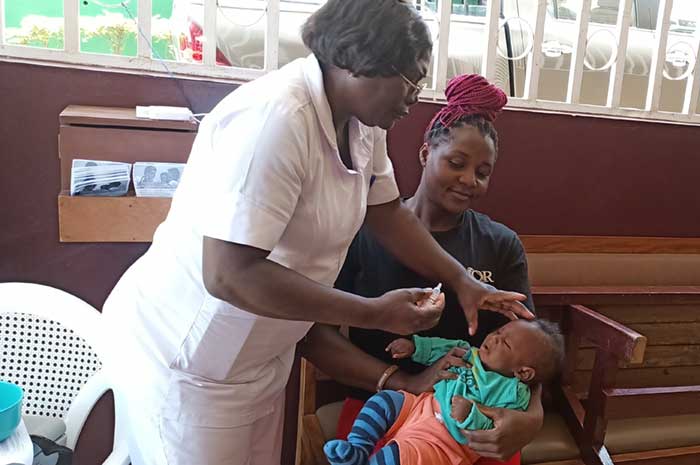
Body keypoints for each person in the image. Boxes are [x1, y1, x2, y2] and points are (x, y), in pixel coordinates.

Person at [101, 2, 531, 465]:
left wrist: (460, 278)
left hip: (259, 356)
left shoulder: (363, 123)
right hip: (188, 361)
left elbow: (387, 214)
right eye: (410, 81)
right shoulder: (276, 121)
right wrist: (373, 314)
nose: (414, 98)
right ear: (357, 62)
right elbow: (228, 274)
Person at [302, 74, 541, 465]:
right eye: (456, 163)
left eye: (482, 172)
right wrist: (403, 383)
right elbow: (314, 337)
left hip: (472, 415)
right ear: (425, 153)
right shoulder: (361, 231)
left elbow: (533, 346)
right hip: (379, 411)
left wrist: (531, 416)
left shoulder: (499, 244)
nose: (469, 180)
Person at [322, 319, 564, 465]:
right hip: (420, 405)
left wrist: (470, 415)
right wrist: (414, 346)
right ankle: (358, 448)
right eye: (499, 332)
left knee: (400, 457)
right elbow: (439, 347)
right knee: (384, 402)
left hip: (442, 442)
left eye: (506, 343)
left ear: (523, 372)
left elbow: (495, 428)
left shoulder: (512, 392)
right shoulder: (471, 353)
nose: (494, 338)